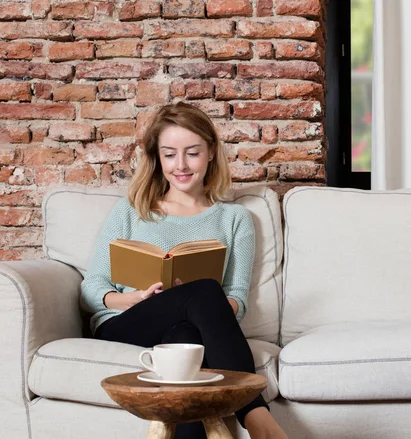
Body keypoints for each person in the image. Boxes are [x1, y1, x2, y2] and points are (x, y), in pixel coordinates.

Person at [81, 102, 288, 439]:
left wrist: (184, 300)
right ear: (157, 158)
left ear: (210, 153)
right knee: (204, 289)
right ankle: (256, 413)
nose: (180, 165)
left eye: (192, 153)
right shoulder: (132, 210)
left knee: (187, 342)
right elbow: (92, 286)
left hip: (183, 328)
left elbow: (237, 301)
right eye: (169, 154)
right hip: (125, 324)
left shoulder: (235, 219)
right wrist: (132, 299)